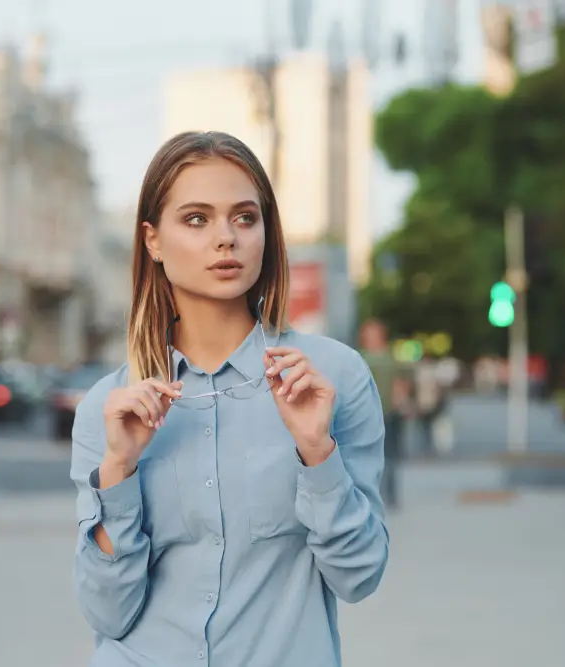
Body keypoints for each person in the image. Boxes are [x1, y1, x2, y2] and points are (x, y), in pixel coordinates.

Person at [70, 131, 389, 666]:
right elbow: (107, 612)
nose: (227, 238)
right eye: (196, 219)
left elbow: (359, 576)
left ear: (266, 232)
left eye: (245, 217)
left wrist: (317, 452)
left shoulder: (331, 378)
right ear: (152, 240)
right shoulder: (113, 406)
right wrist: (119, 468)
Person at [359, 319, 410, 509]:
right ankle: (373, 495)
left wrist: (401, 401)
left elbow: (401, 384)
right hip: (366, 415)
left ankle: (389, 495)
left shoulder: (389, 359)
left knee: (389, 457)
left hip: (388, 414)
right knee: (368, 457)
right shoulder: (360, 357)